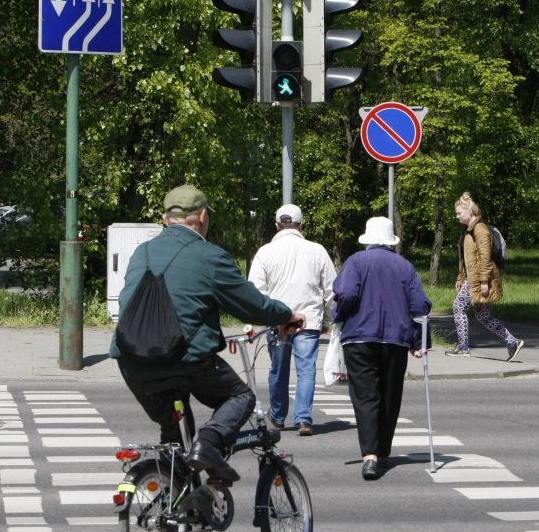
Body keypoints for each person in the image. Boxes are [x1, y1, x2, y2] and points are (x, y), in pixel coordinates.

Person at [110, 185, 305, 483]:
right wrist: (287, 316)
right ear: (202, 216)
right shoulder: (209, 256)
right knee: (240, 397)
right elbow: (251, 305)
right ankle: (209, 444)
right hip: (185, 357)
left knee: (175, 439)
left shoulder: (142, 252)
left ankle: (179, 505)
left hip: (132, 360)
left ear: (165, 219)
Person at [332, 217, 431, 481]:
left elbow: (347, 295)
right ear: (390, 241)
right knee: (390, 394)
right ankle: (383, 450)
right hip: (396, 338)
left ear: (368, 239)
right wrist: (419, 341)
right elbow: (420, 305)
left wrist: (339, 315)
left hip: (359, 337)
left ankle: (370, 456)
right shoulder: (405, 266)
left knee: (365, 397)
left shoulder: (355, 262)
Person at [248, 204, 336, 437]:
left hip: (278, 321)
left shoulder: (264, 252)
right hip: (308, 321)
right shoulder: (317, 250)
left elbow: (256, 291)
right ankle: (304, 419)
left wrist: (267, 317)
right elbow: (331, 290)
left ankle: (277, 417)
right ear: (301, 225)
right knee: (306, 370)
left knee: (278, 370)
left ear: (276, 225)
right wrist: (327, 319)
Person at [445, 192, 524, 361]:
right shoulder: (468, 230)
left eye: (459, 212)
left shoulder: (480, 229)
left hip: (479, 279)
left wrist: (484, 281)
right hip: (472, 278)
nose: (456, 215)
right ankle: (512, 342)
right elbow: (465, 257)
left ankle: (464, 346)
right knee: (483, 316)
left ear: (470, 211)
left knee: (458, 307)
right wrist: (461, 276)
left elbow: (485, 257)